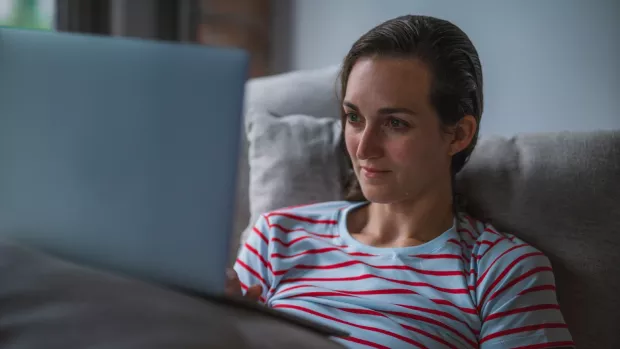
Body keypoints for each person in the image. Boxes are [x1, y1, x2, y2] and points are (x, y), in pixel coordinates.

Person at [227, 15, 574, 349]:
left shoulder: (503, 272)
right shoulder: (276, 236)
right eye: (354, 117)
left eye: (395, 123)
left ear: (458, 134)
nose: (363, 148)